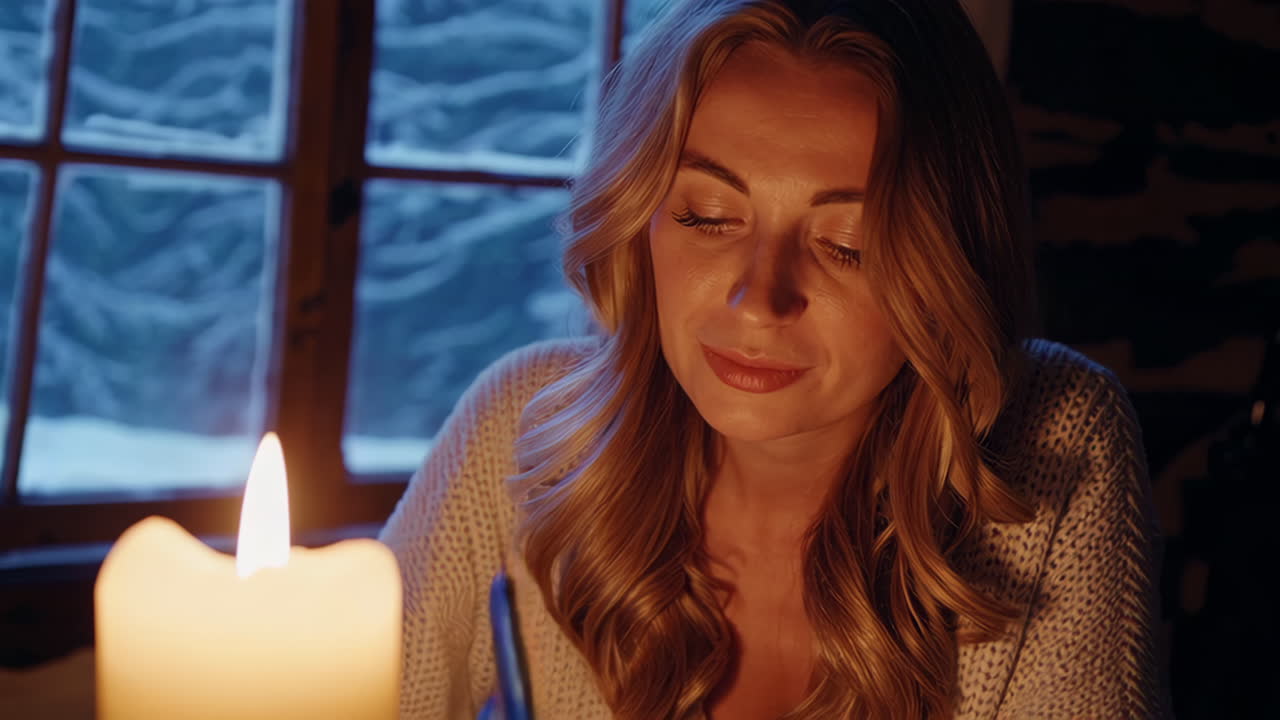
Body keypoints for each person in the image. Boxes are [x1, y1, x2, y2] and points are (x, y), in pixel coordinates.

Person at [378, 1, 1173, 718]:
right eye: (708, 216)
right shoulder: (528, 426)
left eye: (846, 246)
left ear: (945, 271)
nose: (758, 300)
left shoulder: (1053, 441)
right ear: (637, 219)